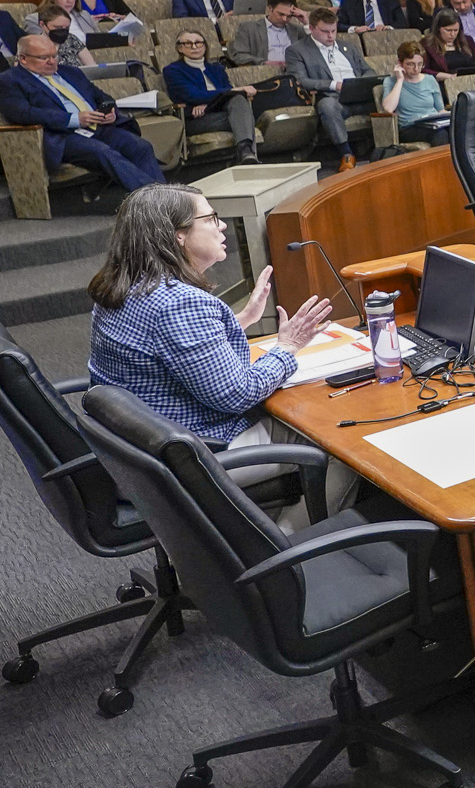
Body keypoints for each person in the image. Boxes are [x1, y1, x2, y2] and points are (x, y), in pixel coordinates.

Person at [86, 185, 336, 494]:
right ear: (178, 234)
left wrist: (239, 320)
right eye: (210, 218)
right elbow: (237, 394)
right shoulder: (178, 303)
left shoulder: (121, 288)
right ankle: (295, 538)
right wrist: (288, 347)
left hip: (139, 456)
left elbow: (167, 348)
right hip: (201, 454)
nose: (222, 225)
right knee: (334, 437)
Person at [0, 33, 165, 193]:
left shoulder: (71, 72)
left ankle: (163, 197)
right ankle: (156, 200)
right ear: (23, 59)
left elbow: (102, 96)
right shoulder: (10, 80)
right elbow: (23, 114)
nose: (52, 62)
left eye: (54, 56)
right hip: (63, 136)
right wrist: (73, 119)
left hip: (98, 127)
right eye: (44, 58)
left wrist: (109, 111)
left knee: (141, 146)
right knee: (104, 152)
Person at [285, 8, 375, 173]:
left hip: (360, 95)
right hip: (334, 98)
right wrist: (335, 85)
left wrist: (360, 83)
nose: (331, 36)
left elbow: (368, 70)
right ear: (311, 29)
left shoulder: (347, 46)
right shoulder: (297, 50)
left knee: (389, 91)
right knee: (326, 105)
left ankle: (392, 147)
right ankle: (346, 154)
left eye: (333, 31)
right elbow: (301, 81)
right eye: (325, 31)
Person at [162, 29, 257, 162]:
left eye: (198, 43)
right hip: (197, 119)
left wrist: (208, 104)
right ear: (180, 48)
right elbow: (193, 95)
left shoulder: (216, 68)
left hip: (222, 112)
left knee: (238, 100)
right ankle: (247, 153)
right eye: (188, 43)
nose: (194, 47)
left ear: (205, 46)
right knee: (244, 115)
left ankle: (245, 151)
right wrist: (231, 92)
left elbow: (228, 93)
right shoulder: (172, 71)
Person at [381, 40, 448, 144]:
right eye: (410, 64)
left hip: (433, 123)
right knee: (440, 134)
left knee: (460, 129)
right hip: (410, 127)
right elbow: (389, 108)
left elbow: (440, 110)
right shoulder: (390, 81)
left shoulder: (430, 79)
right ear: (400, 63)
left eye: (420, 64)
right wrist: (400, 80)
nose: (416, 69)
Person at [226, 0, 309, 68]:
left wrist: (306, 22)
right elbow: (238, 56)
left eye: (289, 16)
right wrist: (264, 63)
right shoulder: (249, 28)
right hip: (265, 72)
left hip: (294, 74)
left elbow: (317, 50)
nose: (284, 19)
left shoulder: (297, 30)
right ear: (270, 9)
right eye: (281, 14)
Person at [38, 0, 96, 67]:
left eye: (66, 27)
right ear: (42, 25)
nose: (62, 30)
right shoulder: (32, 44)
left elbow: (91, 66)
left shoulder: (72, 39)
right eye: (57, 27)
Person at [417, 11, 470, 81]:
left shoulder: (468, 40)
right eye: (448, 30)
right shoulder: (427, 44)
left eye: (456, 30)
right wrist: (449, 77)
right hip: (442, 82)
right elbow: (422, 69)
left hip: (470, 81)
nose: (453, 34)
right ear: (439, 28)